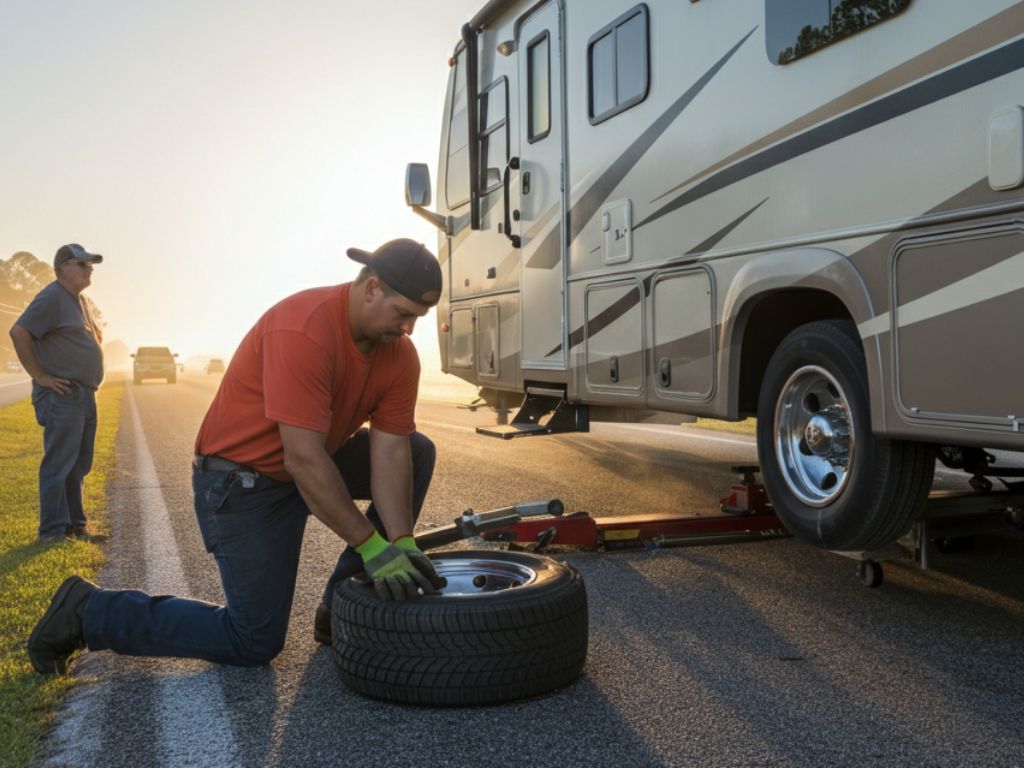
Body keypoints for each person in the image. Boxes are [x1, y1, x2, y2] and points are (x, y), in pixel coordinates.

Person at [27, 238, 447, 674]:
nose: (409, 330)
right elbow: (302, 460)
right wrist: (371, 545)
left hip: (309, 463)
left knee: (417, 450)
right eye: (404, 315)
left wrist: (400, 543)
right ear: (373, 288)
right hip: (240, 484)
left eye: (418, 319)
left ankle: (343, 607)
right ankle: (89, 610)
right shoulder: (303, 328)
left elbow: (393, 454)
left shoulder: (400, 357)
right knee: (252, 640)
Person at [10, 243, 104, 543]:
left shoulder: (79, 300)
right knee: (59, 463)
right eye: (82, 264)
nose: (89, 269)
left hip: (83, 394)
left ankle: (75, 526)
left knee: (78, 464)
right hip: (62, 395)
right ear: (63, 267)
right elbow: (19, 331)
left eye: (90, 264)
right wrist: (40, 376)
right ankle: (51, 531)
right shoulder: (51, 297)